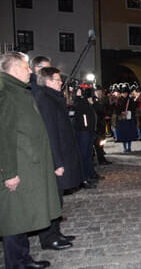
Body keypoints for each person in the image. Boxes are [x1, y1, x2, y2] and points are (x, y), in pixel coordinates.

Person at [0, 52, 61, 269]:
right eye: (27, 67)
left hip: (26, 164)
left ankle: (23, 259)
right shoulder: (6, 93)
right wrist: (9, 172)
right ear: (15, 68)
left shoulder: (17, 91)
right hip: (16, 167)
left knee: (22, 216)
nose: (30, 71)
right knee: (14, 219)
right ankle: (17, 263)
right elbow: (4, 136)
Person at [35, 67, 84, 250]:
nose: (60, 82)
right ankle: (48, 237)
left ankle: (56, 232)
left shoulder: (53, 98)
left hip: (63, 153)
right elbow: (50, 134)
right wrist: (57, 163)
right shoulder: (45, 100)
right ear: (47, 81)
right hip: (56, 158)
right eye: (56, 79)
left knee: (58, 198)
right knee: (53, 198)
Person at [72, 85, 97, 189]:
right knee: (83, 155)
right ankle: (83, 179)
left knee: (87, 154)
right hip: (83, 132)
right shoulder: (79, 102)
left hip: (88, 131)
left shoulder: (85, 102)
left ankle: (87, 176)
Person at [115, 83, 137, 152]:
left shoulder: (130, 100)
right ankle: (124, 148)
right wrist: (121, 112)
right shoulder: (119, 100)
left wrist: (129, 112)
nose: (125, 94)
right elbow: (116, 109)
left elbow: (133, 108)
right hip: (122, 119)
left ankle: (129, 147)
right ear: (121, 93)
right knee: (123, 134)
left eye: (126, 93)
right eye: (123, 93)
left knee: (129, 134)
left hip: (129, 118)